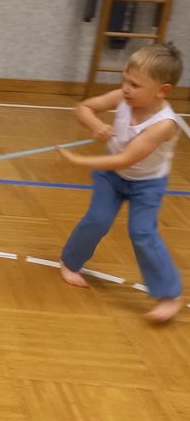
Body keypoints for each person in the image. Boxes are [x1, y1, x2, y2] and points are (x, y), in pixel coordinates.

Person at [57, 42, 184, 322]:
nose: (126, 89)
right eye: (125, 80)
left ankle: (168, 294)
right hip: (111, 178)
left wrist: (79, 161)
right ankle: (70, 262)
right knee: (97, 220)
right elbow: (84, 108)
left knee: (143, 233)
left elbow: (126, 159)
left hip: (147, 184)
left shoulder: (164, 124)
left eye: (135, 85)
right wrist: (96, 125)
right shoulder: (122, 99)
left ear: (162, 90)